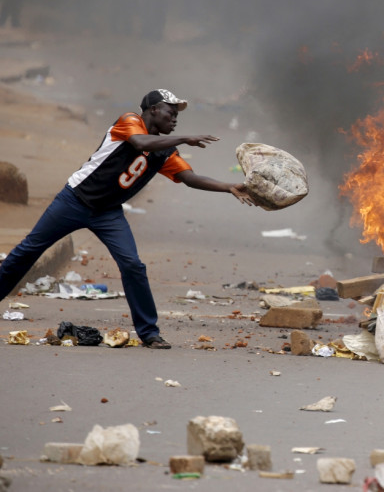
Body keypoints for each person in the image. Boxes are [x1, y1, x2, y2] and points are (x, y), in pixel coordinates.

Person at [0, 89, 255, 349]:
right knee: (28, 250)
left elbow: (189, 178)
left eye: (177, 116)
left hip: (108, 213)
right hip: (74, 200)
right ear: (153, 109)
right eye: (171, 112)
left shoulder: (165, 151)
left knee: (133, 265)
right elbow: (141, 143)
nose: (175, 119)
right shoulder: (129, 121)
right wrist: (187, 138)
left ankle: (149, 333)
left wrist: (228, 187)